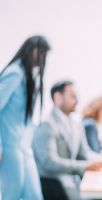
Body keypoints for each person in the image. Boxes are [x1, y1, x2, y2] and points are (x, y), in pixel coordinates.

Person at [32, 80, 102, 200]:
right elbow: (49, 162)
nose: (77, 100)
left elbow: (85, 153)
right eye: (72, 96)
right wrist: (85, 166)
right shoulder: (47, 125)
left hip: (72, 182)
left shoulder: (76, 124)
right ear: (58, 97)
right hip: (53, 184)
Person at [0, 35, 50, 200]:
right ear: (32, 50)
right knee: (12, 194)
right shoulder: (14, 73)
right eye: (41, 53)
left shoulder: (27, 77)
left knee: (34, 195)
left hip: (23, 147)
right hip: (9, 147)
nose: (43, 58)